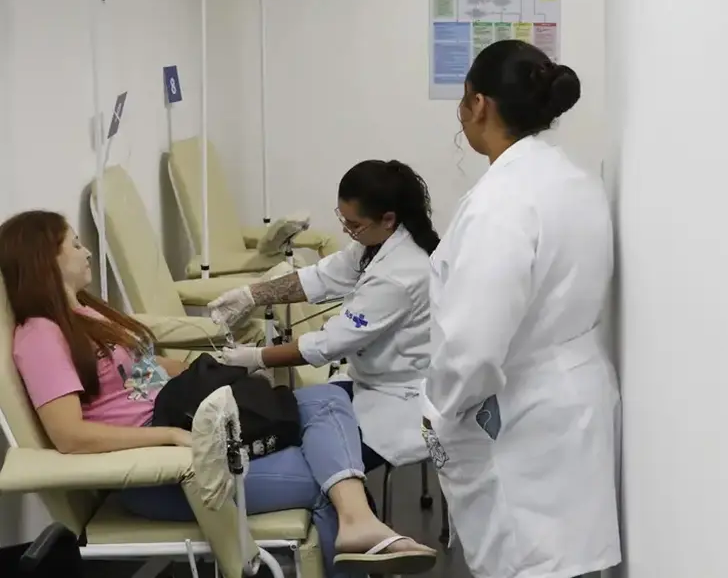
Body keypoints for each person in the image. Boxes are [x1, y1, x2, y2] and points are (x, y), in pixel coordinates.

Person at [0, 210, 437, 578]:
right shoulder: (39, 336)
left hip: (193, 427)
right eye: (76, 245)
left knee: (325, 398)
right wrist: (171, 437)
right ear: (45, 258)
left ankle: (359, 523)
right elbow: (70, 436)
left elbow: (147, 372)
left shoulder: (87, 314)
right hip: (167, 473)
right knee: (334, 482)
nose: (87, 251)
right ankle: (359, 524)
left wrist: (223, 369)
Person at [421, 40, 621, 578]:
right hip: (571, 398)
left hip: (522, 419)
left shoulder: (500, 203)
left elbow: (473, 347)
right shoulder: (573, 178)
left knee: (529, 563)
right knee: (565, 563)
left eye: (462, 100)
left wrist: (437, 412)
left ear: (479, 104)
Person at [209, 160, 438, 471]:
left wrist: (256, 357)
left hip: (398, 402)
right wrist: (251, 294)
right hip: (365, 382)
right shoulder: (377, 243)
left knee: (313, 463)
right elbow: (321, 276)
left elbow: (331, 343)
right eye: (343, 220)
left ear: (388, 219)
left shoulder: (400, 274)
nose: (346, 231)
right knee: (288, 419)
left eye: (353, 225)